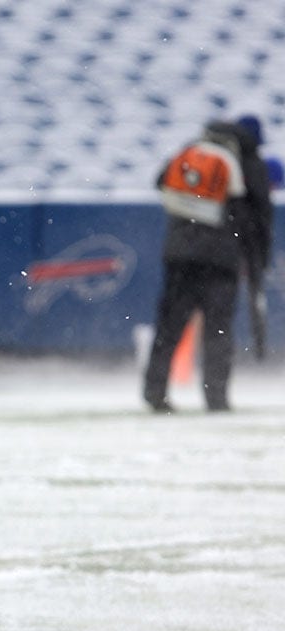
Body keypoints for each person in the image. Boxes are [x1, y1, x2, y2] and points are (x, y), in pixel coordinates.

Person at [143, 115, 273, 413]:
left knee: (170, 326)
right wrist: (257, 260)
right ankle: (216, 398)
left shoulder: (194, 149)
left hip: (179, 254)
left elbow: (161, 181)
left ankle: (154, 391)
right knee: (218, 330)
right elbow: (260, 217)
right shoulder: (248, 162)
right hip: (221, 260)